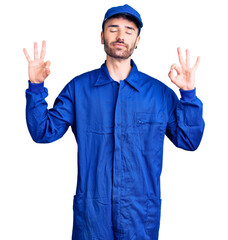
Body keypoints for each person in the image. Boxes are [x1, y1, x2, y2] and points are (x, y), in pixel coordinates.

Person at [23, 4, 205, 240]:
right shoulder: (79, 89)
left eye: (129, 30)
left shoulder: (158, 94)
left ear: (138, 40)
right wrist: (36, 87)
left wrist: (188, 94)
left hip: (140, 217)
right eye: (113, 29)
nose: (121, 36)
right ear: (102, 36)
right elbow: (43, 132)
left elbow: (189, 140)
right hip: (92, 218)